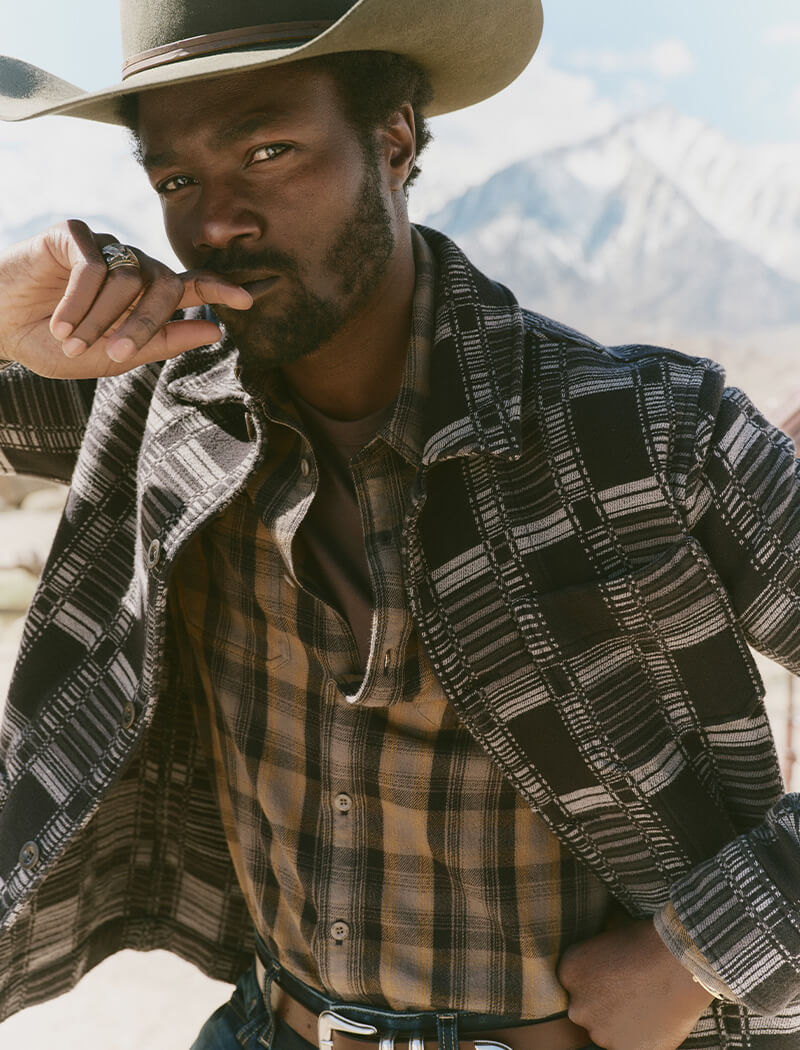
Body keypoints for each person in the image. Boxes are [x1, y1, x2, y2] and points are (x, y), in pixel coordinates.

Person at [0, 3, 799, 1049]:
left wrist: (701, 953)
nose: (217, 223)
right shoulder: (159, 403)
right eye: (176, 180)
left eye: (268, 151)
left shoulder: (643, 431)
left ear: (394, 141)